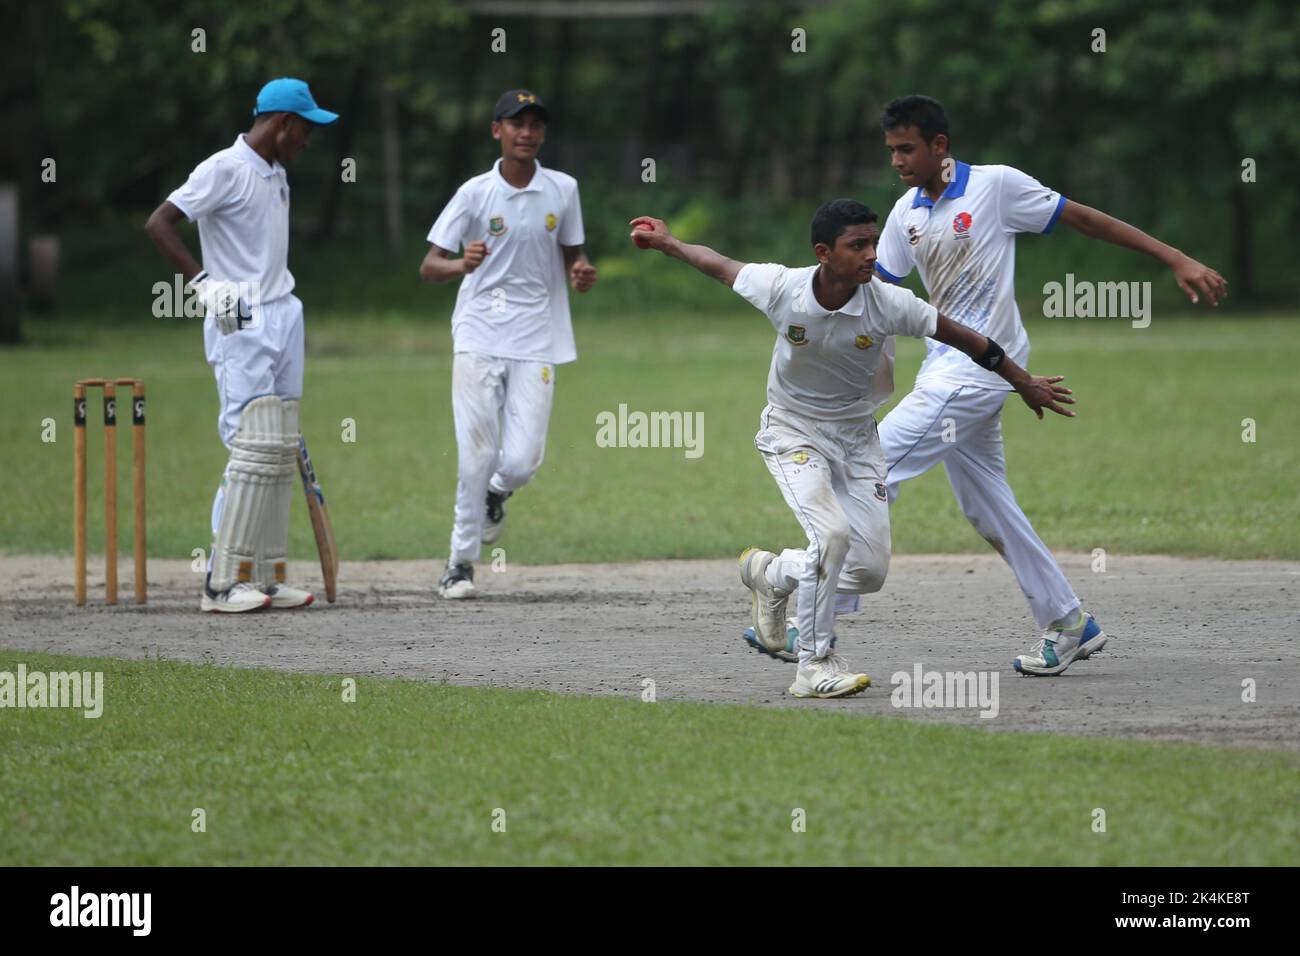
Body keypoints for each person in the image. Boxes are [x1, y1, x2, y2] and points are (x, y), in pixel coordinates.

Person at [631, 201, 1074, 698]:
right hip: (792, 433)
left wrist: (1024, 382)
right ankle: (814, 665)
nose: (871, 254)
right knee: (832, 535)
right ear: (824, 253)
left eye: (873, 242)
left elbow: (971, 341)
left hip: (859, 441)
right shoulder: (783, 288)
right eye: (857, 245)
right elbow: (717, 264)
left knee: (867, 570)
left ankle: (772, 572)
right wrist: (669, 244)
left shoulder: (889, 303)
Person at [869, 95, 1226, 675]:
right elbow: (876, 292)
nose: (897, 161)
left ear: (939, 146)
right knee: (988, 509)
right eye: (890, 151)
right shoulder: (904, 213)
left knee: (871, 463)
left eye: (906, 149)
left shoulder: (996, 187)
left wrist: (1174, 257)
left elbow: (1084, 218)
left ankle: (807, 608)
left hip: (981, 371)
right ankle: (1069, 621)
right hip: (944, 365)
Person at [145, 77, 339, 613]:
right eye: (304, 129)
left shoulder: (276, 172)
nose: (308, 140)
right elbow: (159, 224)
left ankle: (264, 574)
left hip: (283, 312)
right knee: (251, 449)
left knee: (278, 448)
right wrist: (206, 286)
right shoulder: (223, 168)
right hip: (241, 316)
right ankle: (220, 581)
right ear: (281, 122)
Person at [420, 89, 597, 599]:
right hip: (478, 333)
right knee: (476, 454)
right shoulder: (475, 193)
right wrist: (461, 264)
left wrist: (580, 272)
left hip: (538, 336)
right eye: (516, 123)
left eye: (535, 124)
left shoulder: (563, 189)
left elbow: (573, 253)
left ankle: (496, 495)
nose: (527, 132)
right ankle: (460, 562)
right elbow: (430, 266)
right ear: (496, 131)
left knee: (521, 461)